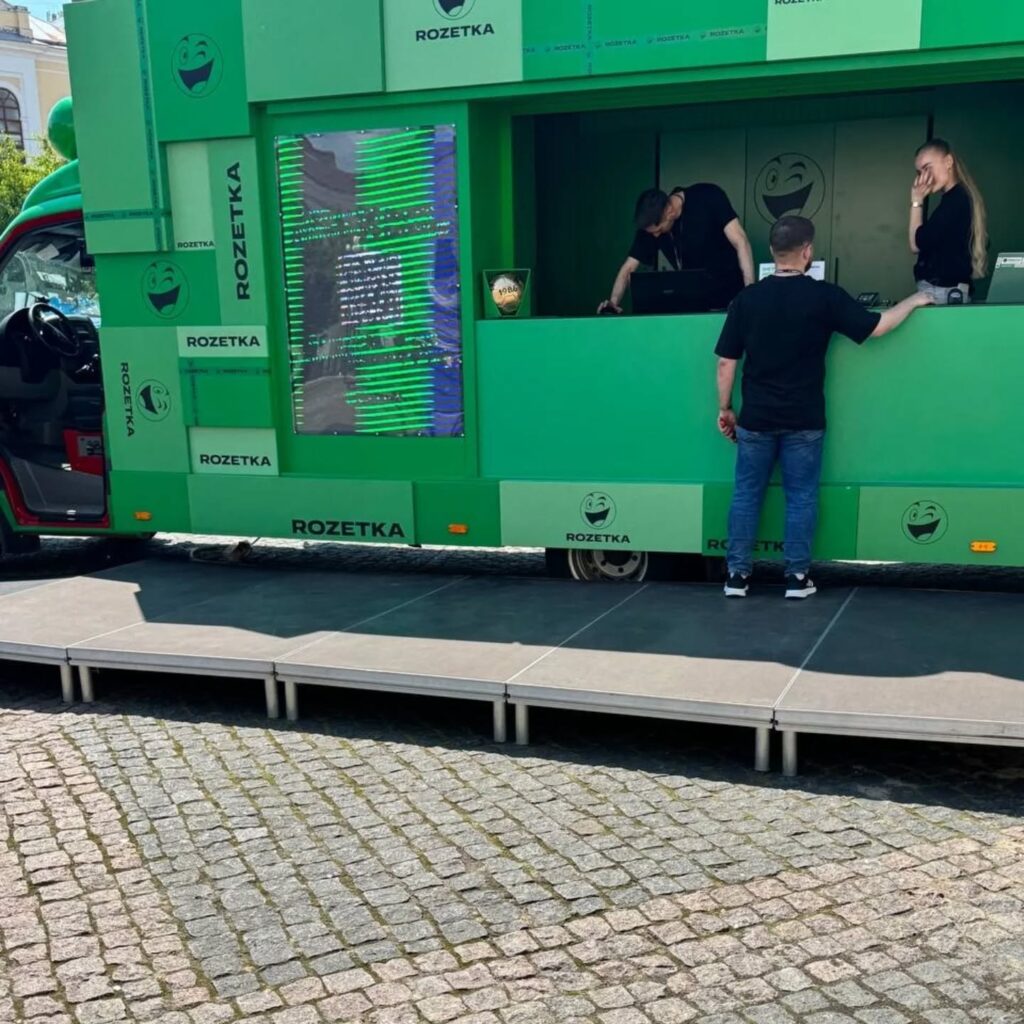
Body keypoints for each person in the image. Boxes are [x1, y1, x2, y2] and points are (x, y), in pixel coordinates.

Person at [715, 216, 933, 600]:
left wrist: (725, 408)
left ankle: (736, 577)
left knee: (747, 495)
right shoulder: (823, 296)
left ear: (773, 251)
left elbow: (725, 363)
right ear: (808, 252)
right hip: (805, 418)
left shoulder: (746, 300)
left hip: (756, 418)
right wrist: (914, 300)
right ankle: (797, 579)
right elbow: (878, 326)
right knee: (801, 497)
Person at [598, 185, 754, 314]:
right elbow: (628, 267)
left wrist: (749, 295)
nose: (656, 235)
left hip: (732, 299)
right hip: (695, 305)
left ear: (669, 212)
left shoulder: (708, 196)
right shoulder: (651, 225)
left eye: (659, 230)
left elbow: (741, 241)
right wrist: (613, 303)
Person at [910, 138, 989, 305]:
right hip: (947, 292)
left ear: (948, 162)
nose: (924, 177)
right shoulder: (959, 198)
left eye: (927, 168)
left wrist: (916, 201)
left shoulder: (956, 201)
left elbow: (916, 244)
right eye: (919, 172)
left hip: (941, 293)